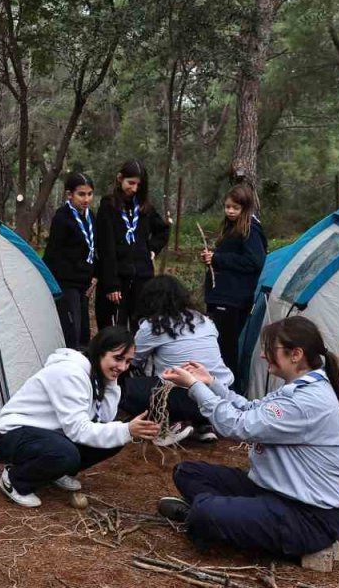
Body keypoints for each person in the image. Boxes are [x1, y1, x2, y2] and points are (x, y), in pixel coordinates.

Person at [156, 316, 339, 558]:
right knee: (187, 472)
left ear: (296, 354)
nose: (262, 355)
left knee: (205, 512)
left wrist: (195, 387)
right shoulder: (298, 388)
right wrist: (212, 383)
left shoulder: (306, 402)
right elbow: (250, 409)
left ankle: (207, 517)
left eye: (270, 349)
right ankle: (228, 518)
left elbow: (238, 425)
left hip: (307, 517)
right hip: (272, 490)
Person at [0, 326, 161, 507]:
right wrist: (126, 429)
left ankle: (57, 472)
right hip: (12, 433)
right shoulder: (70, 373)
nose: (122, 367)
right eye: (118, 358)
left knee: (114, 438)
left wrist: (111, 383)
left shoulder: (96, 374)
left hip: (50, 433)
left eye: (128, 362)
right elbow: (78, 430)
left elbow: (104, 418)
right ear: (100, 352)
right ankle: (15, 479)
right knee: (66, 453)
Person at [122, 275, 235, 445]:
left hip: (187, 397)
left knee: (128, 389)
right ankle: (204, 424)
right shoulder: (205, 320)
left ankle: (172, 422)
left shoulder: (154, 325)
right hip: (223, 392)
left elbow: (133, 360)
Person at [201, 183, 267, 393]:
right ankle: (219, 390)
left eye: (235, 208)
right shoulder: (232, 227)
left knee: (226, 350)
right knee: (219, 347)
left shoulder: (251, 230)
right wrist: (213, 259)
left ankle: (230, 392)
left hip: (233, 299)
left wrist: (219, 259)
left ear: (245, 208)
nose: (230, 211)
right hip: (221, 295)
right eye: (227, 207)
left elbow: (254, 261)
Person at [94, 161, 170, 330]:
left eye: (138, 185)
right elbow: (106, 248)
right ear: (120, 179)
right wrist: (111, 284)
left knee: (141, 329)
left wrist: (151, 249)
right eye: (131, 183)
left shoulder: (144, 207)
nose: (134, 189)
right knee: (115, 332)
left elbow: (163, 230)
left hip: (142, 278)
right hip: (118, 280)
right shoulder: (108, 206)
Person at [44, 172, 99, 349]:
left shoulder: (91, 216)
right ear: (69, 194)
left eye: (90, 194)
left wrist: (95, 275)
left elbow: (95, 247)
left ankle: (83, 362)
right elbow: (53, 252)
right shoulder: (62, 217)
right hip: (67, 282)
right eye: (81, 194)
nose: (86, 199)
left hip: (85, 282)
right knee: (71, 328)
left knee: (84, 330)